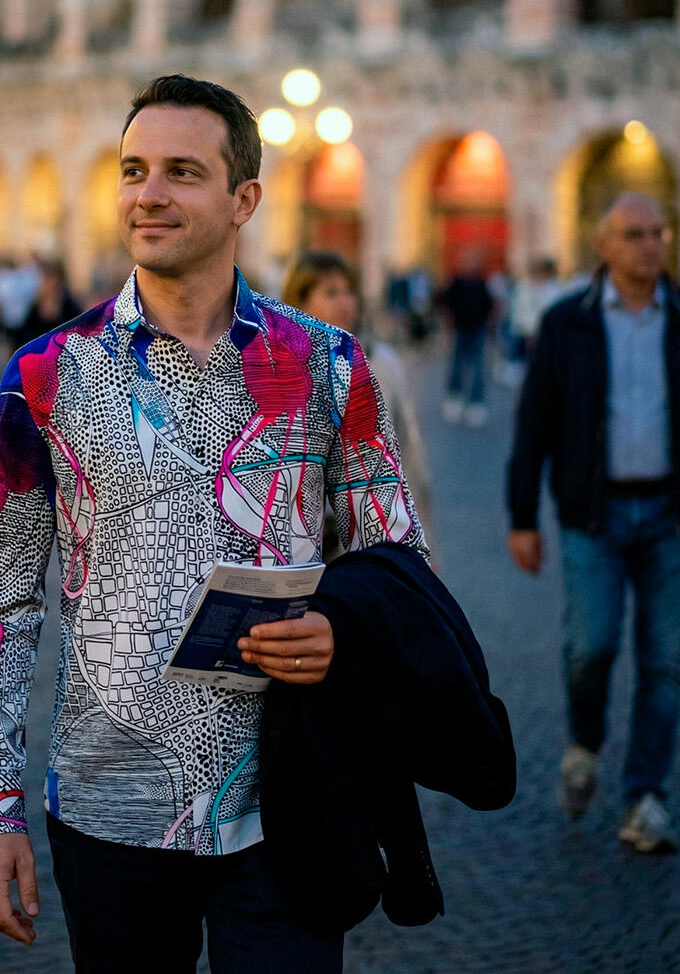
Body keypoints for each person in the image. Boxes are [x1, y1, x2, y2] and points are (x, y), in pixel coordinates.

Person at [0, 75, 427, 973]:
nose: (148, 194)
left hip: (288, 794)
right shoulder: (47, 374)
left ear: (244, 198)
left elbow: (398, 552)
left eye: (181, 171)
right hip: (108, 808)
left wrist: (342, 628)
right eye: (134, 170)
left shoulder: (327, 364)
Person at [507, 193, 680, 854]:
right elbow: (534, 425)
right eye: (633, 234)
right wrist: (523, 517)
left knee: (665, 661)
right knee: (593, 645)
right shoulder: (565, 324)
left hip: (668, 514)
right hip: (592, 512)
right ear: (603, 246)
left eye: (657, 232)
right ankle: (585, 742)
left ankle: (644, 795)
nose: (648, 245)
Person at [281, 251, 436, 563]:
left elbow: (406, 454)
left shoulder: (380, 362)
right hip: (299, 547)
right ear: (299, 302)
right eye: (331, 293)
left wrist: (424, 545)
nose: (345, 302)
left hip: (372, 539)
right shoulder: (277, 369)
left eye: (349, 291)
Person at [439, 249, 495, 427]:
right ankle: (454, 398)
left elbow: (489, 306)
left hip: (477, 329)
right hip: (460, 329)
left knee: (478, 368)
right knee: (456, 366)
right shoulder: (456, 282)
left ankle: (475, 404)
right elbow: (446, 305)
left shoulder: (482, 283)